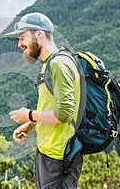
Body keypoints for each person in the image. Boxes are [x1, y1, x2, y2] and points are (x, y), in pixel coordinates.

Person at [5, 12, 83, 188]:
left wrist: (29, 115)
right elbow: (52, 106)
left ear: (39, 34)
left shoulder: (58, 64)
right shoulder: (50, 63)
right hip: (49, 154)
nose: (19, 44)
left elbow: (64, 113)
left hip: (59, 157)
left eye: (22, 37)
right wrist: (30, 125)